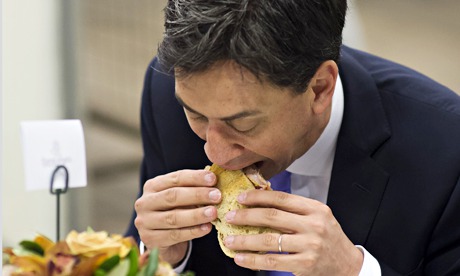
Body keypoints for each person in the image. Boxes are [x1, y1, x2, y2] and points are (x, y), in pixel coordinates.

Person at [126, 0, 460, 275]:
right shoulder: (165, 96)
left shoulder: (446, 152)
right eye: (197, 116)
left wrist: (353, 271)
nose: (215, 152)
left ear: (319, 89)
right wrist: (160, 259)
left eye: (242, 124)